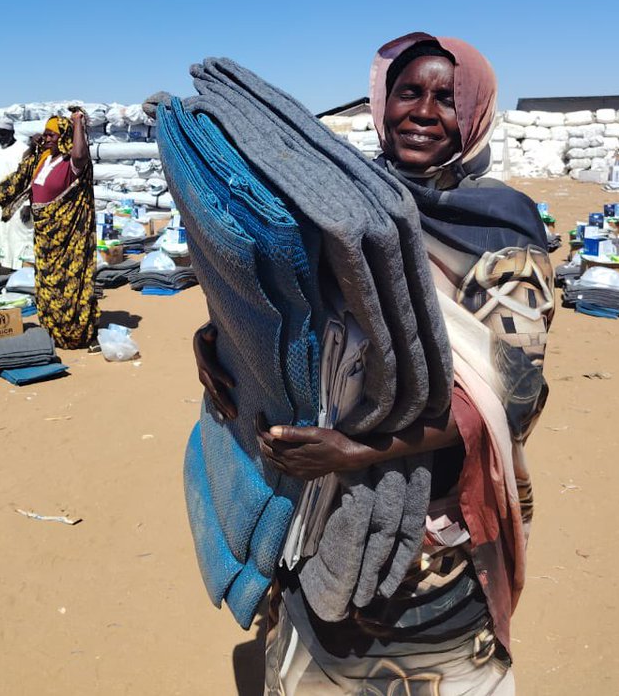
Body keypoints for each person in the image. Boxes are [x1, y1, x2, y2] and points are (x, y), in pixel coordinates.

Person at [194, 34, 554, 694]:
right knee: (313, 651)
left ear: (474, 115)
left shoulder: (503, 235)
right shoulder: (341, 210)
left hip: (432, 529)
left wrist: (359, 451)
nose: (422, 111)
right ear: (381, 103)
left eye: (446, 98)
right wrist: (218, 343)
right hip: (319, 508)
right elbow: (294, 312)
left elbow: (515, 397)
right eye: (408, 93)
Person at [0, 112, 98, 349]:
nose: (47, 137)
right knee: (47, 284)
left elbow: (80, 154)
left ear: (64, 136)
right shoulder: (43, 158)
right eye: (46, 133)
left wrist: (78, 123)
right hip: (44, 235)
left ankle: (74, 333)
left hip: (67, 238)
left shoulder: (72, 162)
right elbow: (24, 171)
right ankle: (53, 328)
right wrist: (35, 144)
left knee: (67, 284)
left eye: (52, 134)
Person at [0, 120, 35, 272]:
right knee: (0, 236)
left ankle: (21, 272)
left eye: (4, 134)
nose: (1, 138)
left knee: (18, 238)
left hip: (18, 202)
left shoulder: (23, 150)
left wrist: (27, 205)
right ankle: (5, 269)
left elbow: (29, 179)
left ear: (12, 133)